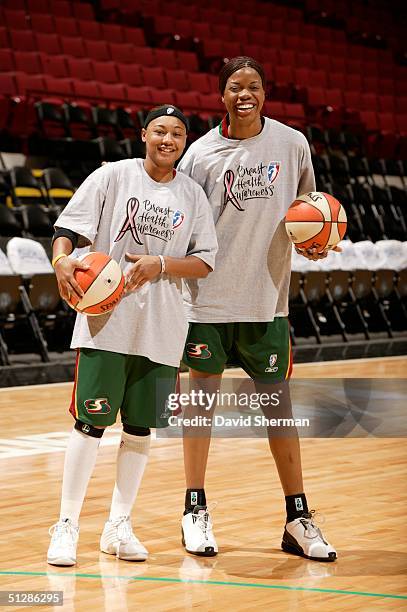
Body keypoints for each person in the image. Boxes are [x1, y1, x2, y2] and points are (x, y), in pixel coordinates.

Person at [178, 57, 338, 561]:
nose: (243, 95)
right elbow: (184, 226)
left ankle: (298, 518)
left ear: (264, 93)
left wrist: (316, 243)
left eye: (252, 87)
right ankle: (195, 510)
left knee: (279, 412)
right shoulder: (200, 155)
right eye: (234, 87)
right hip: (207, 301)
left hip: (268, 301)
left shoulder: (292, 145)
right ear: (220, 95)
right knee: (200, 409)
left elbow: (305, 212)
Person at [47, 105, 218, 566]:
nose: (168, 139)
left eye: (177, 134)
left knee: (140, 429)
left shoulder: (193, 196)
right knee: (91, 423)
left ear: (185, 142)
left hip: (163, 326)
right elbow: (67, 229)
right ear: (143, 134)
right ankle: (66, 524)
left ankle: (118, 526)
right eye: (160, 131)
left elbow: (204, 260)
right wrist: (61, 259)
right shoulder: (113, 176)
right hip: (108, 324)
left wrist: (159, 264)